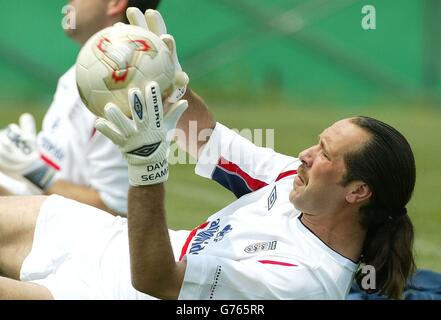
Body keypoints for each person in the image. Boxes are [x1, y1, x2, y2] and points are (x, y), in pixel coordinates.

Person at [0, 9, 416, 300]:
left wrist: (147, 166)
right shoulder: (295, 182)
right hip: (106, 239)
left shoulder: (303, 282)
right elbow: (207, 140)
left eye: (324, 153)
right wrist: (170, 82)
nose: (306, 155)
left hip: (110, 292)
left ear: (358, 191)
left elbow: (154, 280)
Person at [0, 0, 161, 216]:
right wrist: (24, 160)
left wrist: (35, 171)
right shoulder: (83, 71)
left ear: (115, 4)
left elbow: (115, 211)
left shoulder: (123, 89)